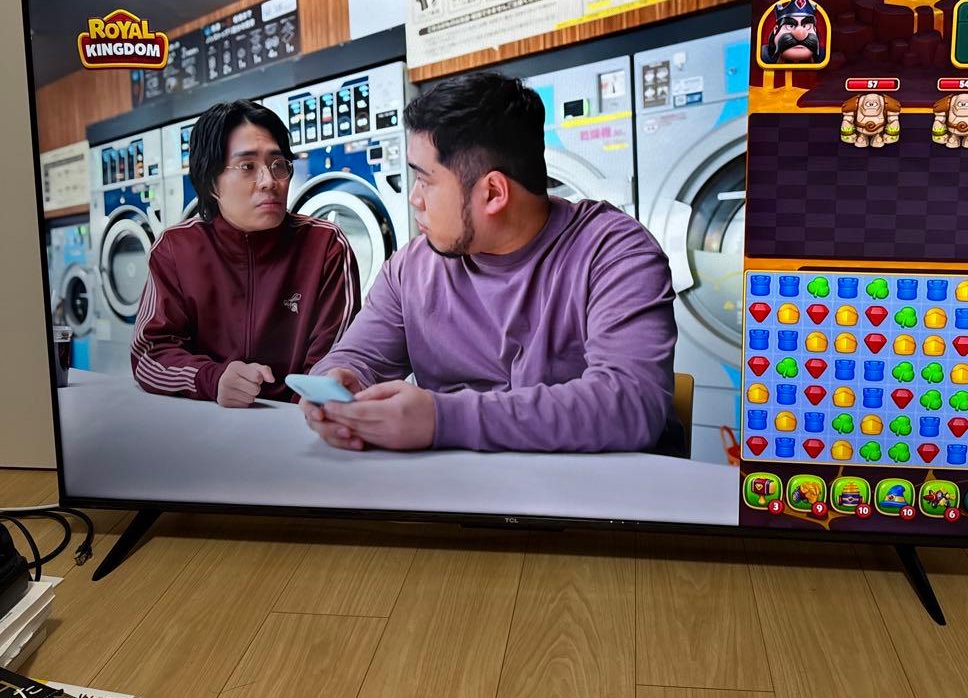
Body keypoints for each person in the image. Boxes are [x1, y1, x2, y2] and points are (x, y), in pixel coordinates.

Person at [304, 71, 682, 454]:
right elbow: (357, 357)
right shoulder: (410, 270)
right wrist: (337, 384)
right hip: (464, 487)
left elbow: (631, 403)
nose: (414, 198)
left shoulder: (615, 252)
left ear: (493, 193)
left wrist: (442, 419)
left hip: (600, 488)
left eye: (426, 180)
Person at [131, 99, 363, 406]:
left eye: (278, 165)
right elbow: (149, 354)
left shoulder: (325, 245)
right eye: (247, 167)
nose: (269, 182)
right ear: (212, 183)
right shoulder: (176, 248)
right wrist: (212, 379)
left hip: (298, 419)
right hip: (206, 418)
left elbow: (335, 363)